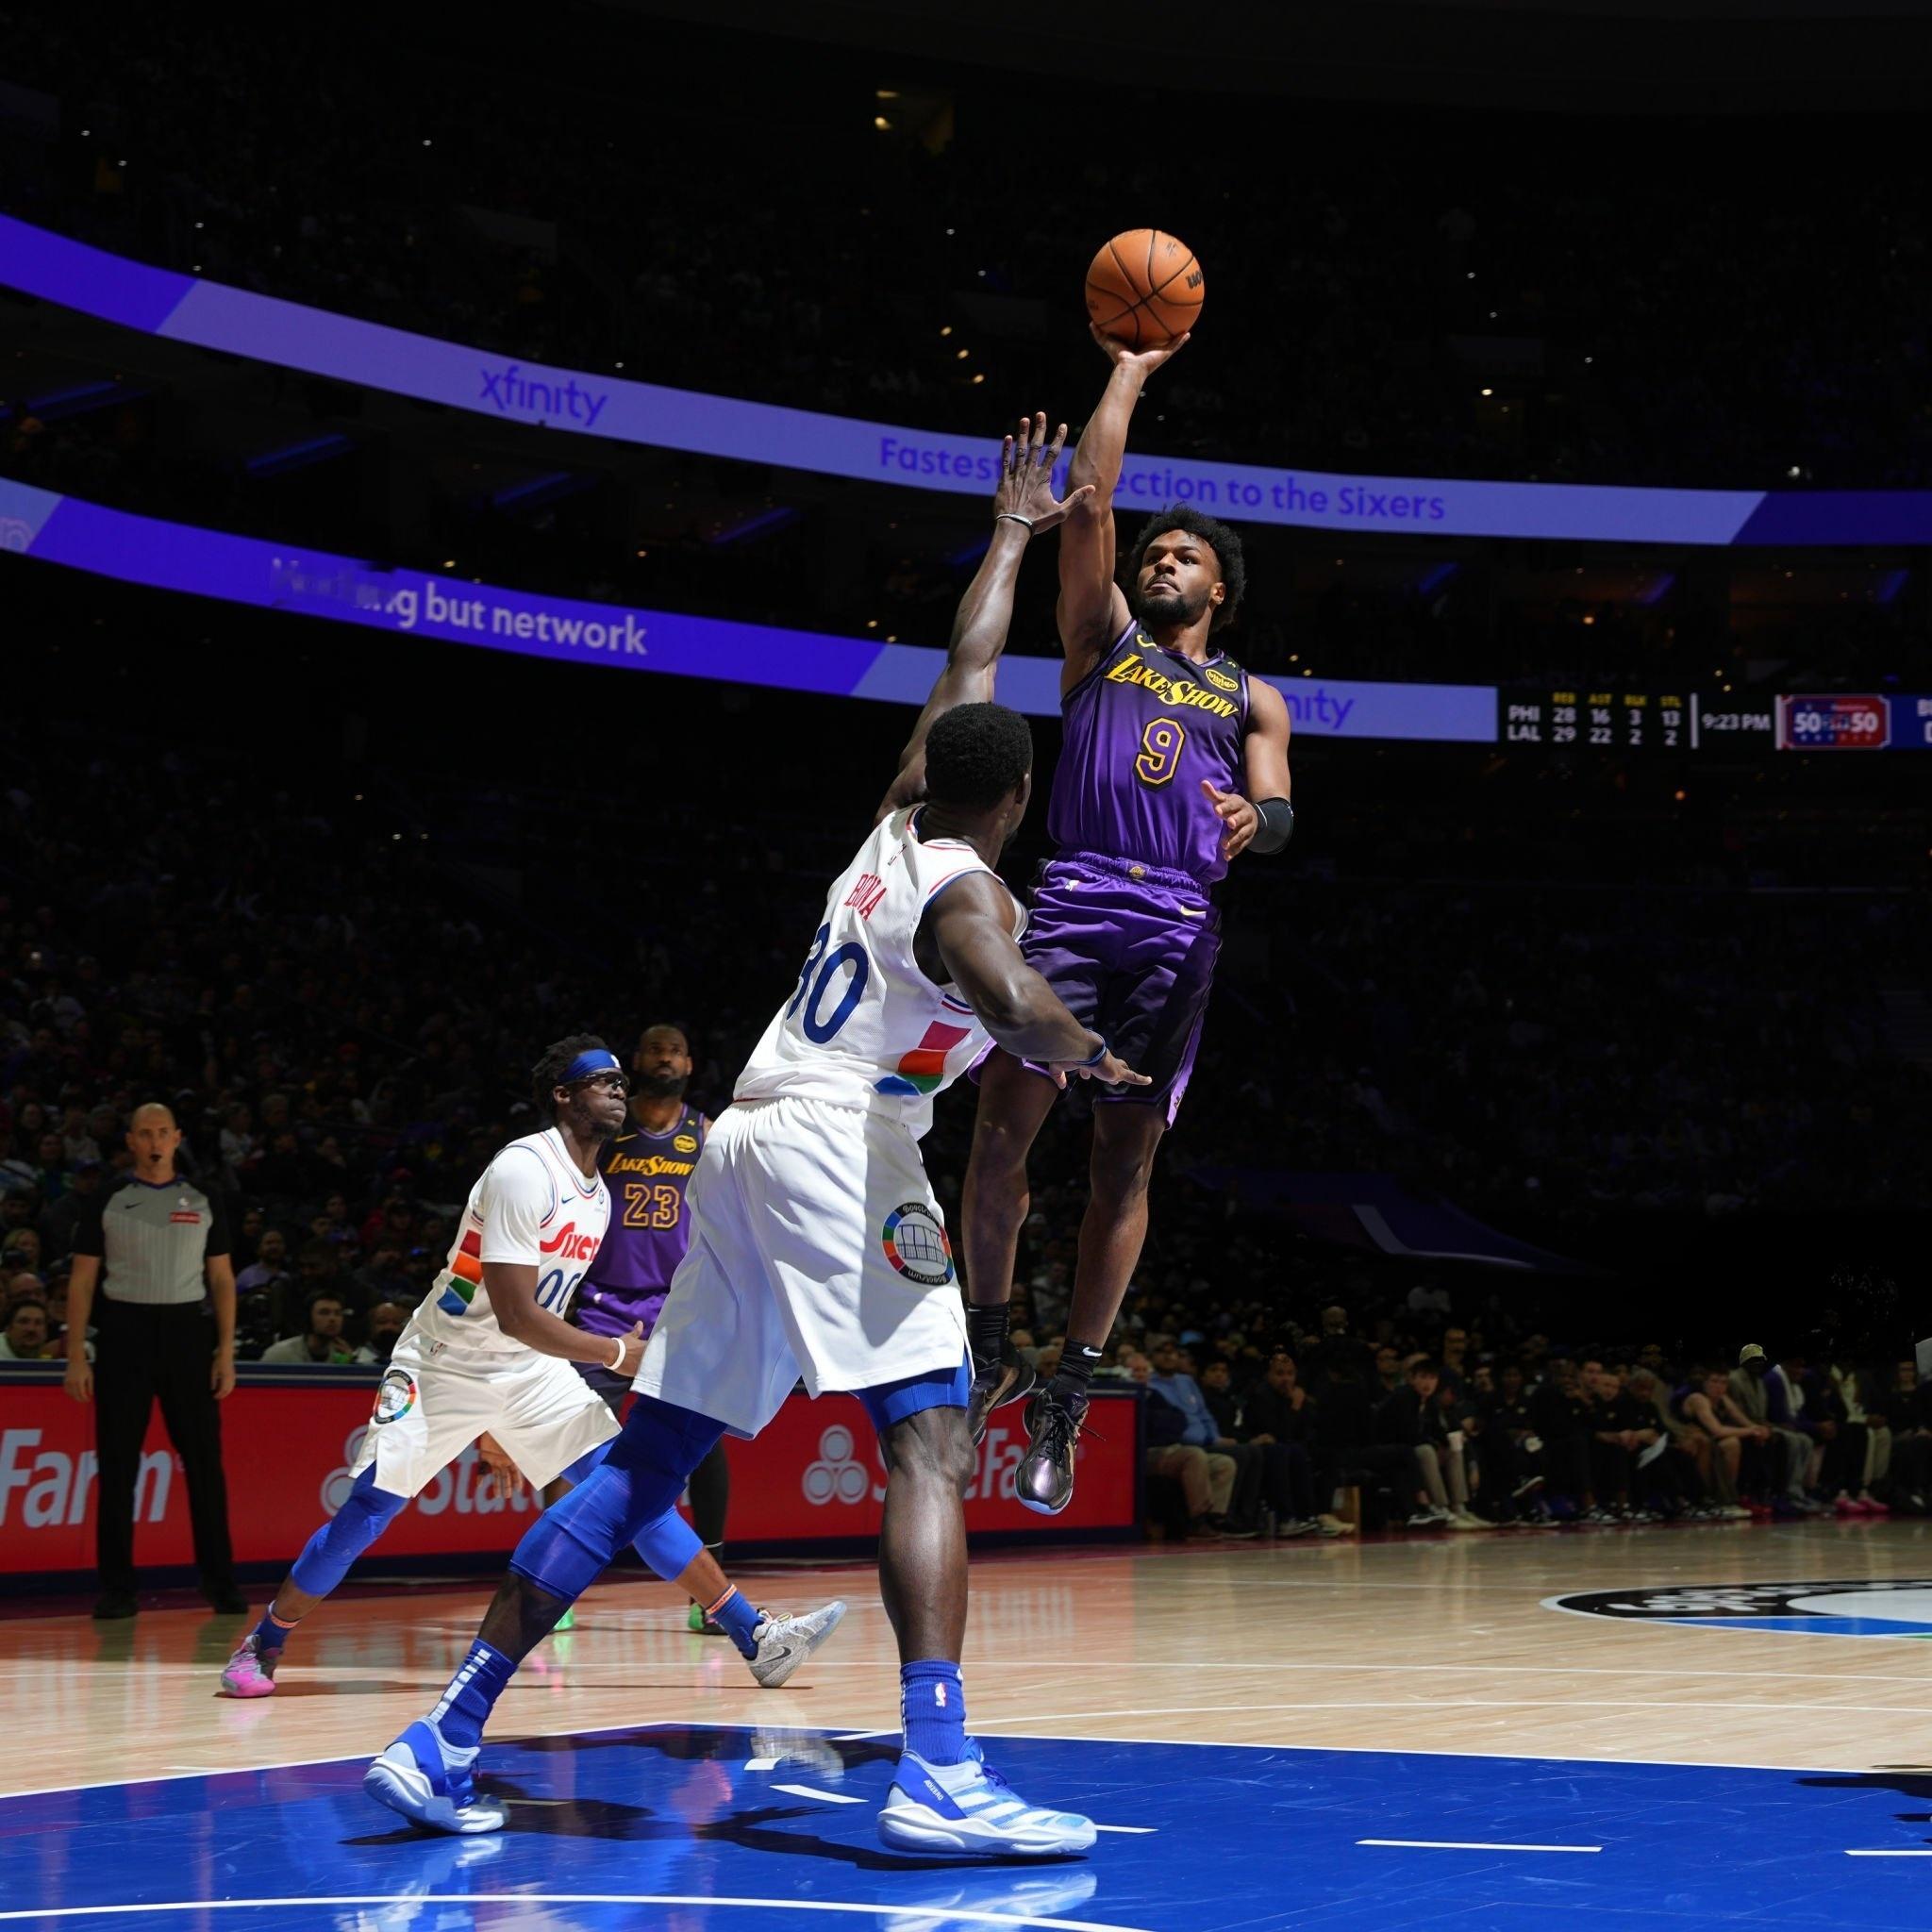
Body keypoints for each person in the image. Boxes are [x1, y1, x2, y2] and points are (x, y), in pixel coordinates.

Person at [364, 412, 1138, 1854]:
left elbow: (970, 667)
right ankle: (939, 1771)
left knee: (649, 1461)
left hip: (747, 1139)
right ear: (1019, 799)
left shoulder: (894, 822)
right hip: (844, 1144)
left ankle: (444, 1733)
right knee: (926, 1439)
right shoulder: (966, 884)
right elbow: (1010, 997)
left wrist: (1015, 537)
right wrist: (1093, 1056)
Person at [219, 1036, 843, 1699]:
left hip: (526, 1371)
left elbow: (528, 1327)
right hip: (442, 1365)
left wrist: (505, 1420)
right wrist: (611, 1352)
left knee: (631, 1491)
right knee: (367, 1512)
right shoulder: (523, 1169)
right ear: (562, 1094)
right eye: (597, 1079)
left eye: (617, 1080)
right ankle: (264, 1643)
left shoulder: (599, 1196)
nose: (616, 1087)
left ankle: (757, 1637)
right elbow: (516, 1313)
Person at [959, 330, 1295, 1518]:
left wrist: (1260, 823)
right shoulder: (1098, 641)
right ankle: (986, 1342)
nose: (1159, 562)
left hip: (1174, 926)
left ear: (1221, 588)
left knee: (1122, 1161)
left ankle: (1069, 1388)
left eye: (1183, 555)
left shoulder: (1250, 692)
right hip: (1073, 894)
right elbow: (1090, 495)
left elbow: (1278, 802)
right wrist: (1129, 371)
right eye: (1152, 551)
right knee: (1000, 1134)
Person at [575, 1021, 733, 1632]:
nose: (664, 1058)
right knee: (571, 1439)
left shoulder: (707, 1133)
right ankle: (559, 1578)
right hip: (604, 1307)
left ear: (689, 1064)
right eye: (654, 1050)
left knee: (704, 1443)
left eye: (675, 1050)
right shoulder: (607, 1132)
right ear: (636, 1060)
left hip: (680, 1309)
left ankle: (709, 1588)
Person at [61, 1104, 245, 1619]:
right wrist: (76, 1354)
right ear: (131, 1141)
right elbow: (81, 1280)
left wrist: (225, 1352)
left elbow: (223, 1279)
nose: (155, 1140)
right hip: (123, 1332)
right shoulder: (108, 1197)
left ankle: (220, 1582)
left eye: (163, 1132)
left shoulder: (205, 1197)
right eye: (145, 1133)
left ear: (177, 1137)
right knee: (117, 1467)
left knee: (205, 1465)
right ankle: (118, 1589)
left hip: (188, 1333)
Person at [259, 1291, 356, 1365]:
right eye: (324, 1312)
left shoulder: (343, 1356)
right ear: (309, 1318)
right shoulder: (280, 1355)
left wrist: (349, 1366)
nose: (332, 1318)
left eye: (338, 1313)